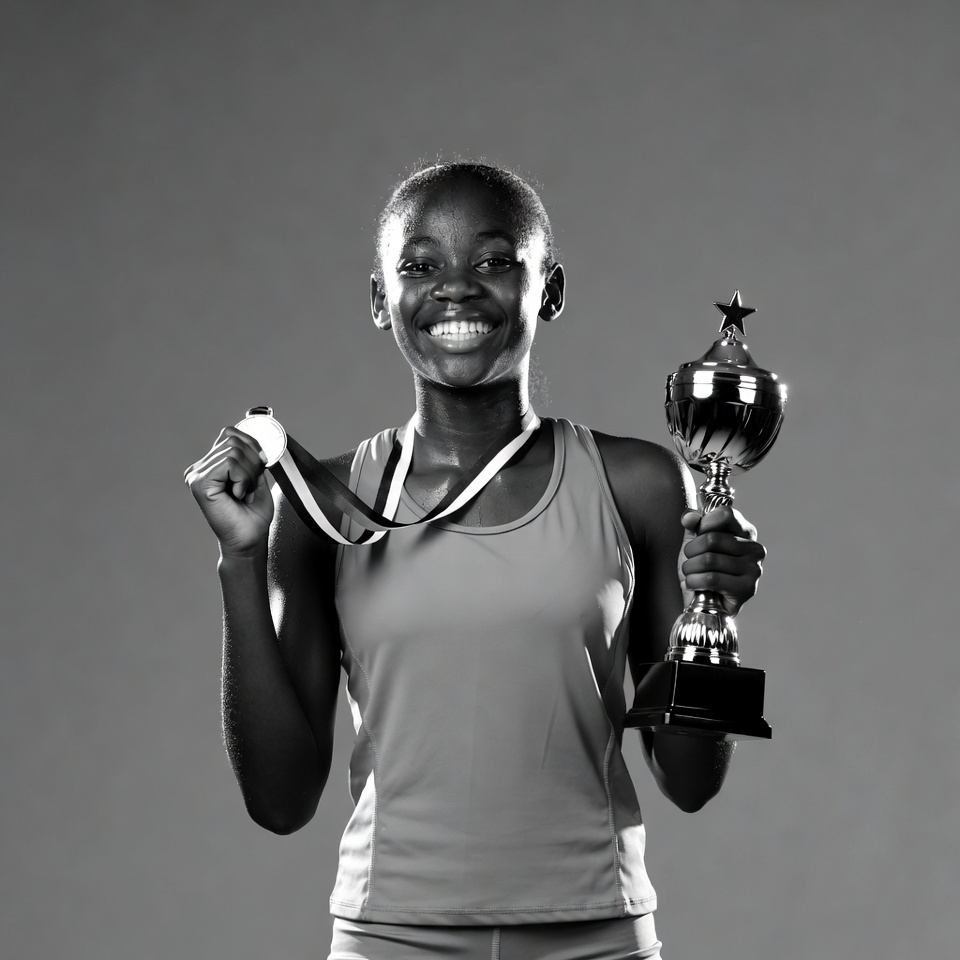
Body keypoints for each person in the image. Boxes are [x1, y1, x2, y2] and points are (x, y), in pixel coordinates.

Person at [184, 161, 767, 960]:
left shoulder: (633, 484)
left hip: (598, 937)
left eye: (494, 261)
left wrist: (718, 617)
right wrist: (241, 561)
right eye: (420, 266)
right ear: (381, 301)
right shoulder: (328, 501)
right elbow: (280, 800)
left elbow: (692, 783)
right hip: (389, 939)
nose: (455, 289)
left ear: (550, 290)